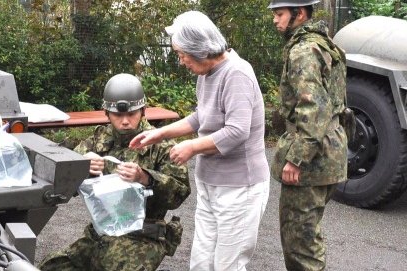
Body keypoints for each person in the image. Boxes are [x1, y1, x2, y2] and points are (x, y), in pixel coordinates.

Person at [130, 11, 270, 271]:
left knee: (227, 265)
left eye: (182, 54)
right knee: (201, 262)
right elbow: (200, 117)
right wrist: (159, 134)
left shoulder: (237, 74)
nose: (181, 61)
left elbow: (238, 131)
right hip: (210, 183)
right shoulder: (206, 74)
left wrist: (192, 147)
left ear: (199, 49)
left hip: (239, 187)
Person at [38, 73, 191, 271]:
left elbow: (179, 194)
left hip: (143, 236)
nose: (125, 121)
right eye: (118, 115)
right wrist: (81, 167)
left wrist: (145, 177)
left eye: (132, 114)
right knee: (50, 267)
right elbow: (63, 182)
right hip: (101, 234)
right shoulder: (99, 139)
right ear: (107, 114)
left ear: (143, 111)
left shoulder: (160, 144)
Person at [268, 1, 348, 270]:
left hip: (312, 159)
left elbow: (313, 107)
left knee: (299, 245)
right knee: (307, 236)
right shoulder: (324, 42)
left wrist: (297, 158)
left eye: (279, 14)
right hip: (329, 149)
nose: (275, 20)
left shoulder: (303, 50)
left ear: (299, 14)